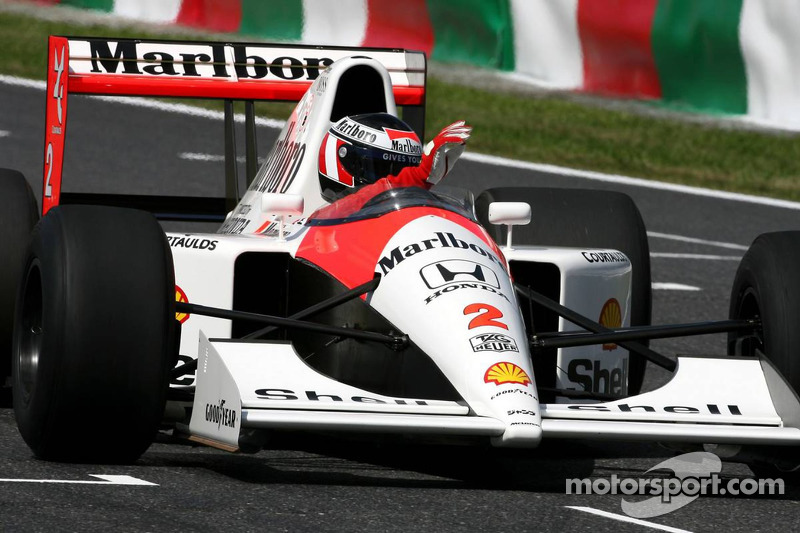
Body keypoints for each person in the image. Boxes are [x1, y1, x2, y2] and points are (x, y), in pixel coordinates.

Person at [316, 113, 471, 218]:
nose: (399, 178)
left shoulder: (414, 215)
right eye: (382, 169)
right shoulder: (320, 222)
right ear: (347, 161)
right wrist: (417, 177)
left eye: (409, 168)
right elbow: (350, 206)